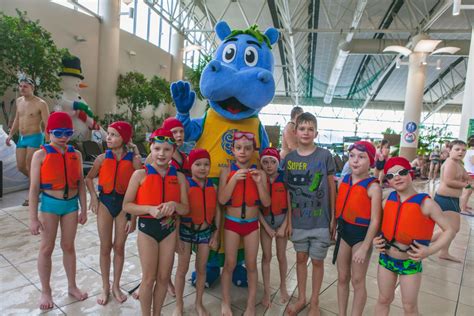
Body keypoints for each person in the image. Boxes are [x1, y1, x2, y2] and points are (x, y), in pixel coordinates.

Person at [373, 157, 455, 316]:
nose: (396, 177)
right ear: (387, 181)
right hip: (386, 259)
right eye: (390, 176)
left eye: (401, 172)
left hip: (410, 262)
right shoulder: (387, 200)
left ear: (410, 173)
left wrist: (430, 251)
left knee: (409, 306)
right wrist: (376, 238)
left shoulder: (426, 204)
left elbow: (449, 230)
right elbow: (380, 224)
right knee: (383, 299)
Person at [123, 128, 189, 316]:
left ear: (173, 151)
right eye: (157, 148)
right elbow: (127, 205)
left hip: (168, 231)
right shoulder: (139, 175)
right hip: (147, 230)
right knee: (149, 278)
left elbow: (186, 209)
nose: (162, 153)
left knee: (163, 277)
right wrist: (149, 209)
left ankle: (157, 313)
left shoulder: (179, 177)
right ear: (150, 148)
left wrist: (174, 204)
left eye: (167, 149)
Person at [28, 112, 88, 310]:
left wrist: (84, 209)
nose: (63, 137)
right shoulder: (41, 154)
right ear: (49, 133)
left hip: (71, 205)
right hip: (50, 206)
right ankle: (46, 291)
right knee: (47, 248)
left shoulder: (76, 154)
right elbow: (34, 189)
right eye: (58, 132)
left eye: (68, 133)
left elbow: (80, 184)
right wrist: (33, 219)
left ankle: (72, 286)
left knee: (68, 246)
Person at [282, 112, 336, 316]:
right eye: (302, 128)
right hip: (298, 221)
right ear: (295, 132)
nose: (306, 132)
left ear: (316, 133)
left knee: (317, 261)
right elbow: (287, 192)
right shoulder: (289, 159)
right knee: (301, 258)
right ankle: (301, 298)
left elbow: (331, 187)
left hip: (320, 220)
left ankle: (315, 302)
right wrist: (288, 221)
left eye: (310, 129)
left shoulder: (324, 156)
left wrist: (333, 217)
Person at [84, 121, 142, 305]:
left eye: (113, 135)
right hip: (106, 204)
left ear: (124, 138)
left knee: (119, 247)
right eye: (108, 134)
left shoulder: (133, 160)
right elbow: (89, 178)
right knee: (105, 246)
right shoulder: (102, 158)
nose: (108, 137)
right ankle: (105, 287)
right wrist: (93, 197)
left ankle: (116, 285)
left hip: (124, 206)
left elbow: (142, 186)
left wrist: (133, 217)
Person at [218, 131, 271, 316]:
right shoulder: (226, 171)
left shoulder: (260, 174)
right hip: (232, 224)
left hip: (251, 225)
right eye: (239, 148)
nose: (243, 152)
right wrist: (233, 179)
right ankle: (225, 302)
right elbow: (223, 200)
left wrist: (257, 183)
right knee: (230, 263)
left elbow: (266, 203)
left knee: (251, 265)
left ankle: (250, 305)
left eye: (247, 148)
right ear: (232, 150)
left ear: (253, 151)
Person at [334, 141, 382, 316]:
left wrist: (365, 247)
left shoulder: (373, 187)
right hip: (344, 232)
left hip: (361, 236)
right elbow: (339, 208)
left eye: (361, 157)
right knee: (342, 277)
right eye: (352, 156)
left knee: (357, 280)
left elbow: (375, 221)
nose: (355, 161)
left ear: (370, 161)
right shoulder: (343, 180)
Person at [173, 149, 221, 316]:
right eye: (198, 164)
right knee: (182, 268)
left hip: (205, 232)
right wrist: (176, 238)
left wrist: (216, 234)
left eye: (206, 164)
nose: (202, 168)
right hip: (186, 231)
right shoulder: (185, 184)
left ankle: (199, 303)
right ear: (190, 166)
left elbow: (217, 211)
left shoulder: (212, 186)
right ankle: (178, 304)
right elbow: (178, 213)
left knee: (201, 269)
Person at [6, 78, 50, 206]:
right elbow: (17, 120)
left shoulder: (40, 103)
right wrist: (10, 135)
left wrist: (47, 142)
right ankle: (39, 183)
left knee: (31, 166)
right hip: (22, 138)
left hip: (35, 137)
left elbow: (47, 124)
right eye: (20, 86)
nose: (22, 88)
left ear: (32, 88)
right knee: (21, 166)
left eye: (25, 86)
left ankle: (32, 196)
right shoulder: (19, 101)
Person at [258, 147, 290, 308]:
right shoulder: (259, 179)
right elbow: (257, 208)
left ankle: (283, 286)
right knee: (266, 256)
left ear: (278, 163)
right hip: (265, 224)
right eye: (265, 162)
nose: (269, 165)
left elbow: (291, 205)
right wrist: (267, 228)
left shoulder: (284, 178)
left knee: (281, 255)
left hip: (281, 220)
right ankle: (266, 291)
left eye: (273, 162)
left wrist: (285, 225)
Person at [432, 140, 472, 262]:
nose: (461, 152)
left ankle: (443, 251)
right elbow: (448, 181)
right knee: (452, 229)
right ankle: (425, 241)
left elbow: (466, 176)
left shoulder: (458, 163)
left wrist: (469, 181)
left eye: (463, 150)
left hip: (452, 199)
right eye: (457, 149)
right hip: (445, 199)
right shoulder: (450, 163)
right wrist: (466, 185)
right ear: (449, 150)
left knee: (451, 229)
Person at [460, 136, 474, 215]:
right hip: (470, 174)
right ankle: (462, 208)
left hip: (468, 172)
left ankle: (464, 206)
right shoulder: (473, 152)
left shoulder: (467, 151)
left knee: (468, 191)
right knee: (467, 191)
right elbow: (473, 162)